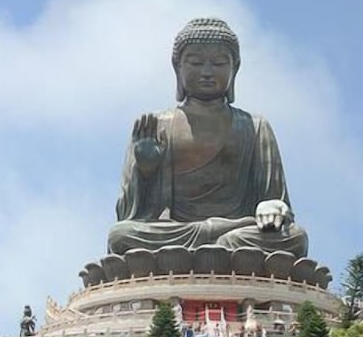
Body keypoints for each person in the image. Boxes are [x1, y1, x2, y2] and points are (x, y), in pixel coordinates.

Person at [107, 18, 309, 256]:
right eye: (195, 62)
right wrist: (145, 171)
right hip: (176, 233)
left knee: (294, 237)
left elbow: (275, 202)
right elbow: (129, 215)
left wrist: (272, 206)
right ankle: (218, 250)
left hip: (238, 231)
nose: (206, 72)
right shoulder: (156, 126)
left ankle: (214, 250)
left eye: (219, 63)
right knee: (120, 235)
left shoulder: (255, 127)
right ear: (177, 68)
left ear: (234, 68)